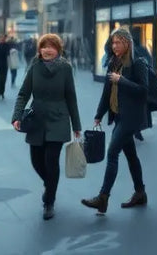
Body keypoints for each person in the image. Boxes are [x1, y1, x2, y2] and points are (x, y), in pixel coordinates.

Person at [11, 34, 81, 220]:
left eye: (51, 47)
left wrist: (77, 125)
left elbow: (71, 97)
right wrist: (17, 116)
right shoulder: (34, 65)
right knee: (36, 161)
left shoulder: (65, 68)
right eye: (44, 46)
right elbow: (23, 93)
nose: (47, 50)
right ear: (39, 49)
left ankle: (49, 201)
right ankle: (50, 184)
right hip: (37, 119)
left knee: (51, 161)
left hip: (58, 119)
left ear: (58, 49)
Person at [81, 28, 149, 214]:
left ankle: (103, 198)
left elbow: (143, 91)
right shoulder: (113, 62)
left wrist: (122, 80)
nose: (115, 45)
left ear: (127, 43)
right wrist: (98, 114)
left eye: (118, 42)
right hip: (118, 116)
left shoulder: (138, 63)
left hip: (131, 119)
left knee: (112, 153)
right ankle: (140, 193)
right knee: (131, 156)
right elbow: (106, 91)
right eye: (113, 42)